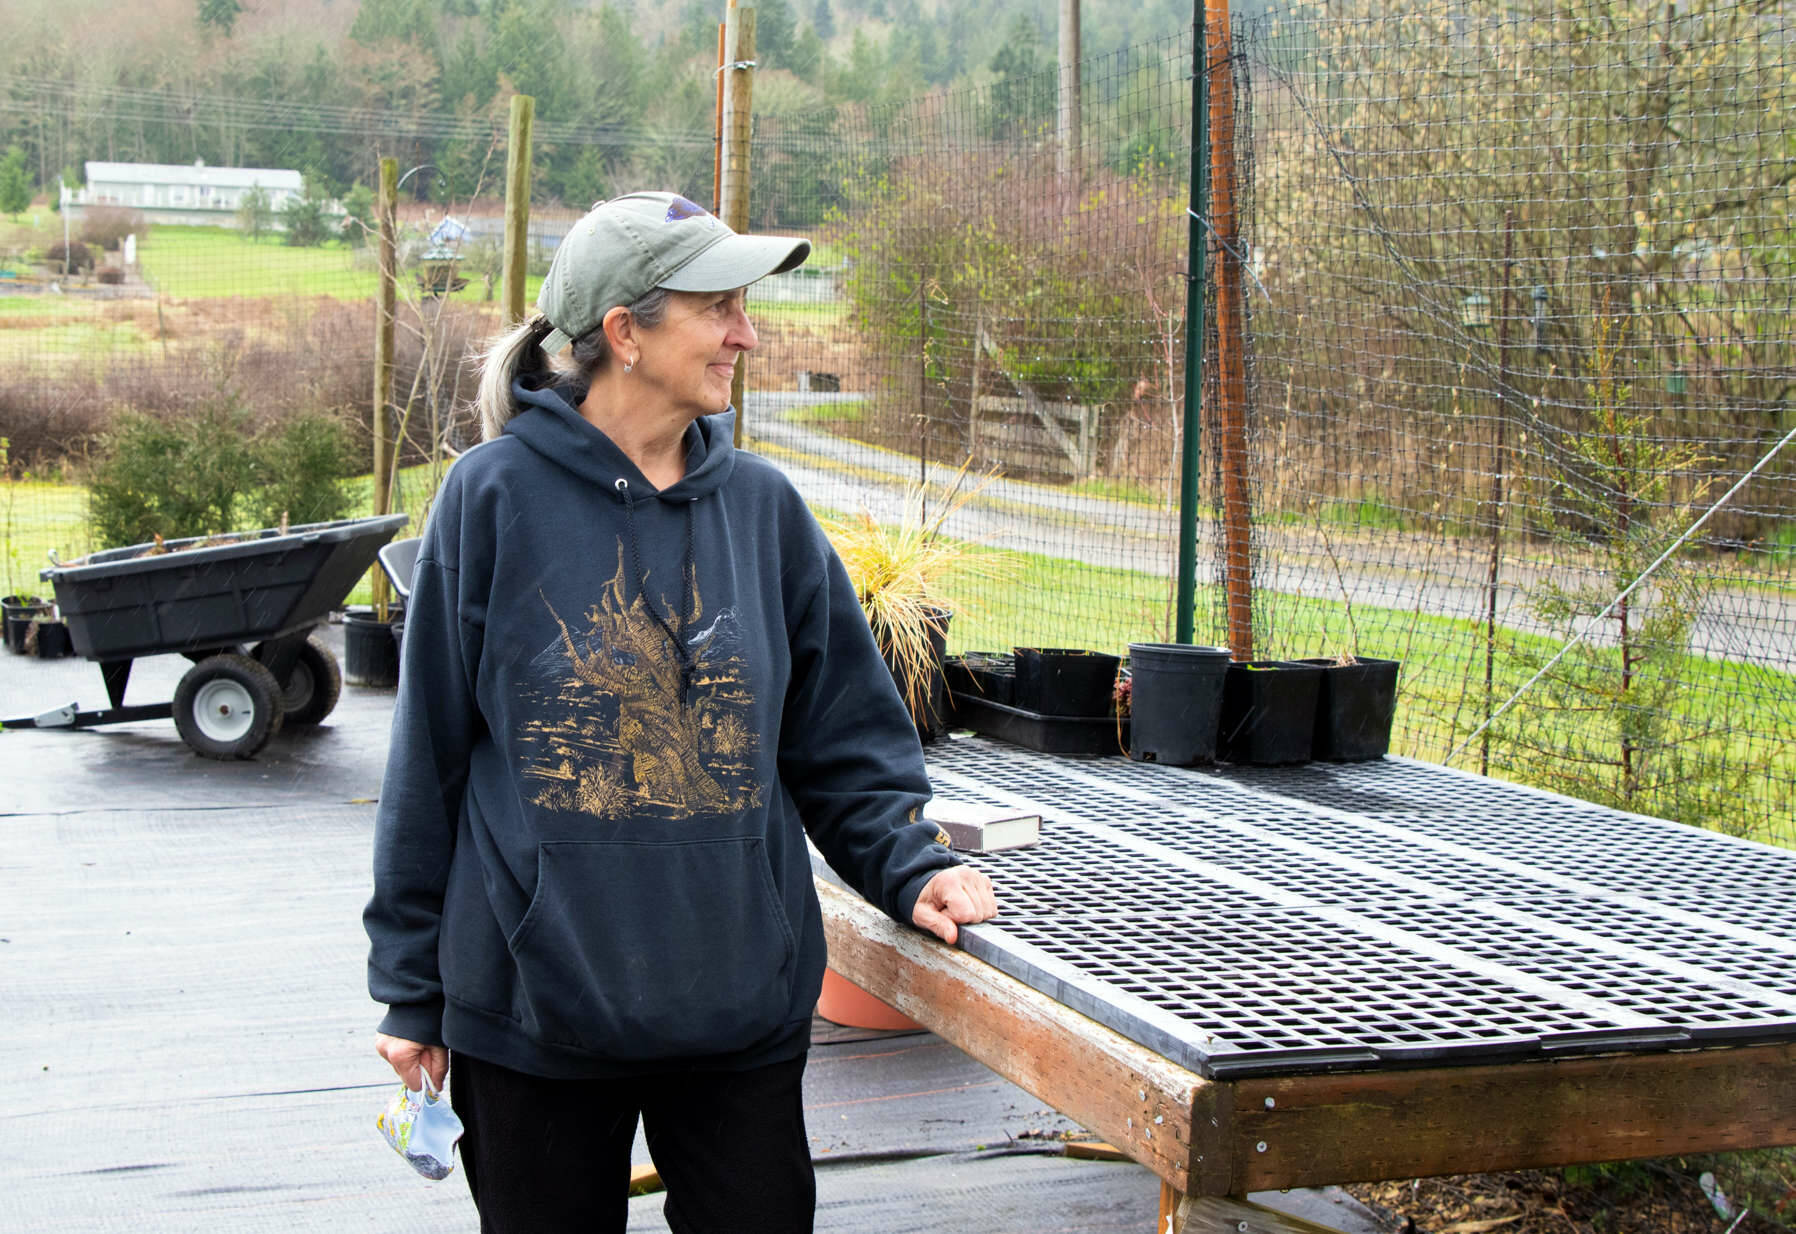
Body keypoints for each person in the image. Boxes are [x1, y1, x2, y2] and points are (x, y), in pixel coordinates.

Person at [363, 191, 998, 1234]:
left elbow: (842, 737)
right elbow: (426, 760)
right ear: (625, 333)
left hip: (735, 1002)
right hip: (533, 1007)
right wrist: (407, 986)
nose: (745, 334)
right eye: (718, 309)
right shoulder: (489, 501)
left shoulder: (763, 511)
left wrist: (909, 864)